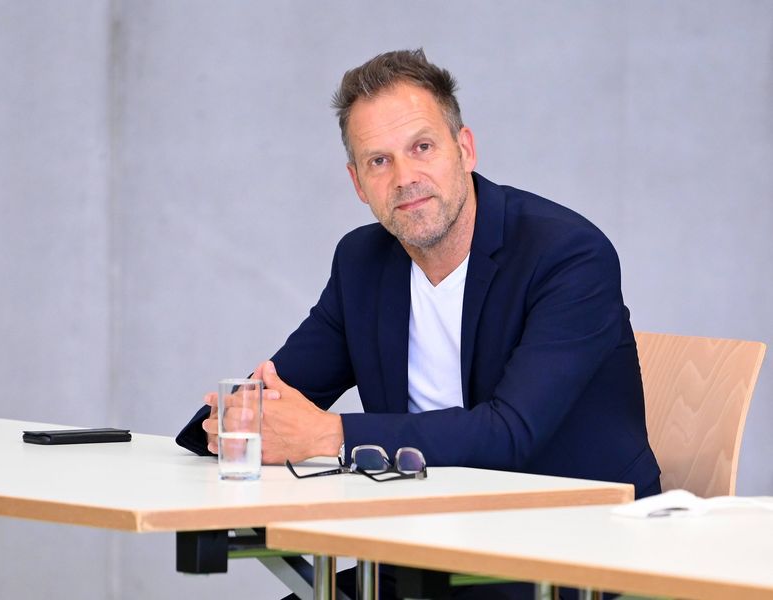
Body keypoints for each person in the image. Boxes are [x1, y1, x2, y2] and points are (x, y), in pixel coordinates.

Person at [177, 49, 661, 599]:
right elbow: (276, 392)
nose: (405, 178)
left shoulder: (567, 255)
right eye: (378, 161)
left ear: (465, 149)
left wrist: (328, 435)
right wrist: (238, 420)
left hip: (573, 555)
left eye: (422, 147)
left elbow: (510, 434)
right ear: (358, 183)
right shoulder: (363, 263)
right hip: (427, 553)